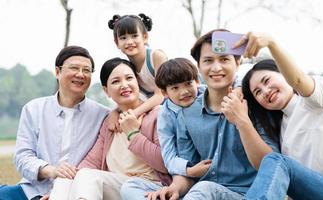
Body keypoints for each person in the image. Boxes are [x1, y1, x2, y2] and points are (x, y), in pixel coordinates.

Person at [134, 29, 279, 200]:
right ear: (199, 67)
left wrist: (242, 121)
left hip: (252, 194)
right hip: (203, 193)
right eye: (208, 60)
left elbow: (272, 166)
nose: (216, 68)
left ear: (237, 63)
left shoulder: (255, 102)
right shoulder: (186, 115)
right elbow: (189, 169)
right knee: (134, 189)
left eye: (224, 59)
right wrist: (175, 189)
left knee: (204, 189)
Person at [237, 32, 323, 200]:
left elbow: (297, 80)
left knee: (277, 160)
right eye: (258, 92)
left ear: (282, 73)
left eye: (267, 81)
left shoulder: (317, 99)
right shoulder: (282, 131)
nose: (266, 91)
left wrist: (272, 44)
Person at [49, 57, 171, 200]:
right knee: (65, 179)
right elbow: (92, 161)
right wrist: (60, 191)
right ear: (106, 90)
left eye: (129, 78)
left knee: (88, 176)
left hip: (145, 188)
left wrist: (133, 134)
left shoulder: (156, 115)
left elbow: (166, 163)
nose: (124, 85)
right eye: (115, 81)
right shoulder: (110, 122)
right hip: (116, 186)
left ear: (137, 82)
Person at [0, 46, 110, 200]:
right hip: (32, 190)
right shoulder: (33, 109)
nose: (80, 74)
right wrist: (51, 170)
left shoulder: (103, 115)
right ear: (57, 72)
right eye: (74, 68)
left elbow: (100, 162)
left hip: (75, 192)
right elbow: (22, 156)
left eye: (86, 70)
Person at [120, 58, 213, 199]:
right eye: (175, 88)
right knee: (129, 187)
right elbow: (169, 157)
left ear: (197, 81)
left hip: (211, 171)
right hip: (183, 174)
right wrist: (190, 170)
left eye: (188, 84)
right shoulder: (165, 115)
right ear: (164, 93)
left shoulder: (208, 95)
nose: (184, 92)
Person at [108, 13, 167, 118]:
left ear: (145, 37)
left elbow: (160, 95)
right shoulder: (127, 68)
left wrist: (132, 114)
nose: (129, 42)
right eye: (123, 38)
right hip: (156, 112)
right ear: (116, 43)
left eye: (134, 36)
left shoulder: (156, 57)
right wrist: (115, 112)